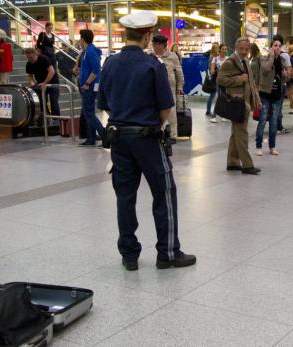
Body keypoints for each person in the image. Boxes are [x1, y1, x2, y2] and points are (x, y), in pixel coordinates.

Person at [97, 10, 196, 271]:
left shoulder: (109, 63)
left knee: (125, 197)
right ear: (147, 35)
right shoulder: (153, 65)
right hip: (148, 139)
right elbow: (166, 107)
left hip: (118, 138)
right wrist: (154, 125)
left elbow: (103, 103)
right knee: (164, 193)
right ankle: (168, 253)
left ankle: (129, 255)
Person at [217, 37, 261, 175]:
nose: (244, 51)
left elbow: (252, 82)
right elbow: (220, 80)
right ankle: (247, 165)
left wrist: (257, 99)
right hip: (237, 104)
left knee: (236, 133)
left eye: (246, 49)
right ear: (236, 48)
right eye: (241, 49)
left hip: (245, 103)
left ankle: (232, 162)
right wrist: (238, 79)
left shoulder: (246, 61)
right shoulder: (229, 62)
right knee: (242, 133)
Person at [251, 39, 283, 156]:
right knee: (262, 120)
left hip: (277, 95)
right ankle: (258, 146)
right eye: (275, 45)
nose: (277, 48)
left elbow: (283, 75)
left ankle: (272, 146)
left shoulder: (282, 60)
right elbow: (265, 69)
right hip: (265, 94)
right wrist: (271, 56)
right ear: (271, 47)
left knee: (274, 122)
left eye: (279, 46)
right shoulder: (264, 58)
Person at [153, 35, 184, 142]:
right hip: (154, 88)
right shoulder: (151, 56)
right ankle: (159, 133)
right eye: (154, 44)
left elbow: (179, 73)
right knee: (156, 111)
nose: (155, 47)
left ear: (164, 45)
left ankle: (172, 135)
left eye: (157, 44)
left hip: (169, 87)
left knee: (171, 111)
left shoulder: (172, 56)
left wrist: (180, 86)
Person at [77, 29, 104, 147]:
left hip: (89, 87)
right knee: (90, 112)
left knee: (89, 113)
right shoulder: (87, 51)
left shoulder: (91, 51)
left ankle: (104, 135)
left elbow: (96, 70)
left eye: (80, 38)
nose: (79, 40)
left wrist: (87, 83)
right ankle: (91, 138)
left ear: (83, 39)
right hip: (88, 86)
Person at [25, 48, 60, 124]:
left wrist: (45, 82)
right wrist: (33, 84)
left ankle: (57, 121)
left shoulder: (44, 59)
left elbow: (52, 71)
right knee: (42, 103)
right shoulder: (29, 64)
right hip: (41, 83)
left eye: (31, 57)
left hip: (52, 82)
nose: (29, 59)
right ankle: (46, 119)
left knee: (53, 101)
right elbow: (30, 76)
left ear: (35, 54)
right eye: (28, 57)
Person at [205, 43, 220, 121]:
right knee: (213, 95)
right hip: (214, 79)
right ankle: (209, 111)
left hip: (215, 78)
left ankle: (209, 111)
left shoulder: (214, 56)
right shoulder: (212, 57)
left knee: (213, 95)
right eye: (218, 48)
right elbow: (211, 68)